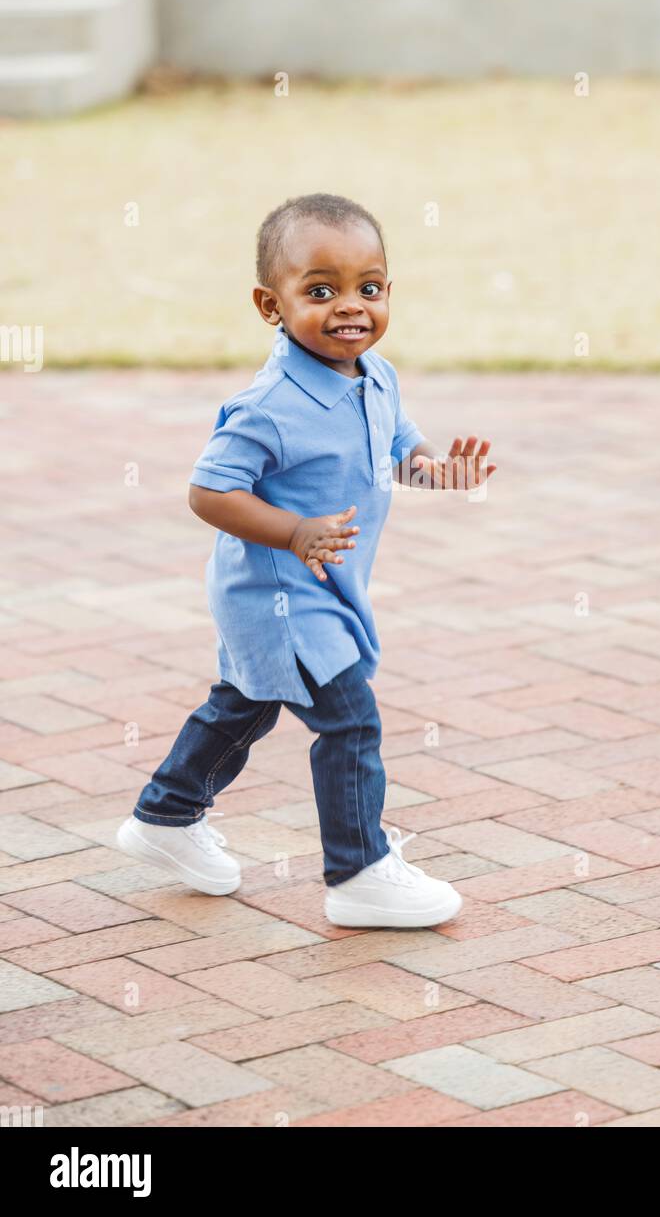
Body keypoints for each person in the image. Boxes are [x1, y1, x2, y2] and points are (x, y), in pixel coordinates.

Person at [116, 192, 496, 928]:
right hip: (277, 592)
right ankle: (358, 873)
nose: (350, 307)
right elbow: (208, 492)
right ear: (270, 304)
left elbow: (400, 454)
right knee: (349, 721)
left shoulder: (374, 375)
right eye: (319, 291)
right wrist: (292, 532)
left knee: (246, 705)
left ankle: (164, 816)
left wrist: (440, 471)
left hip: (321, 585)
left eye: (369, 288)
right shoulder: (269, 404)